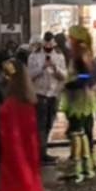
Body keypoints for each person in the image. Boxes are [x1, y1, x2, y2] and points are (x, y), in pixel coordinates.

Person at [0, 59, 47, 191]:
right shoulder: (26, 100)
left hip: (16, 147)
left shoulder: (14, 102)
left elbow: (14, 129)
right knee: (25, 177)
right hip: (25, 146)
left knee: (21, 177)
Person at [61, 26, 96, 182]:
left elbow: (85, 74)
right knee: (82, 131)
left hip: (79, 97)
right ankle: (87, 165)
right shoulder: (84, 51)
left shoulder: (80, 52)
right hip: (81, 97)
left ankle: (79, 168)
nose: (68, 40)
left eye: (70, 37)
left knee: (78, 132)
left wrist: (71, 84)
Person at [28, 33, 67, 165]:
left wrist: (55, 68)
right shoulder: (34, 56)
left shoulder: (59, 55)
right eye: (47, 43)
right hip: (40, 94)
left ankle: (43, 150)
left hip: (54, 94)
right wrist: (42, 67)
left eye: (51, 43)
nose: (49, 46)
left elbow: (64, 75)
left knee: (49, 123)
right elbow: (30, 75)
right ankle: (40, 152)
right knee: (41, 125)